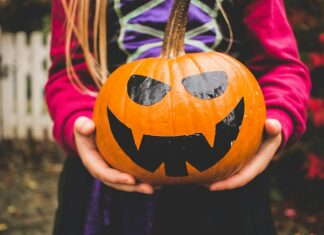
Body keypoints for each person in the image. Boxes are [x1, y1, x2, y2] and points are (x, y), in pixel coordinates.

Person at [45, 0, 311, 234]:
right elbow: (69, 74)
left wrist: (278, 118)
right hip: (109, 181)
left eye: (208, 87)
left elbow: (280, 66)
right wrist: (77, 122)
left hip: (228, 180)